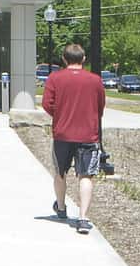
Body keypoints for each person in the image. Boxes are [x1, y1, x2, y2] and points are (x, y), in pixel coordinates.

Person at [42, 43, 107, 235]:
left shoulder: (55, 78)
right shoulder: (95, 80)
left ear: (64, 59)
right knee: (85, 175)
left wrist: (60, 114)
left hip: (62, 133)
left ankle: (61, 208)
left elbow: (47, 104)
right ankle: (83, 218)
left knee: (60, 172)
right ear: (83, 59)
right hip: (88, 134)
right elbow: (100, 106)